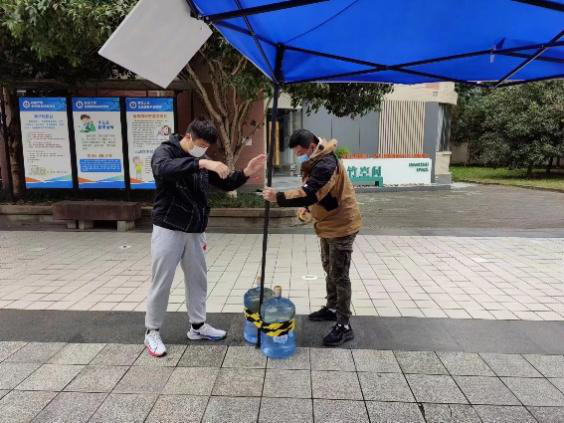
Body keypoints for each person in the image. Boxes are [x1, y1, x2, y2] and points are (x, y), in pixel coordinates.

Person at [145, 118, 265, 357]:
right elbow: (163, 169)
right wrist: (202, 163)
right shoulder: (165, 152)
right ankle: (152, 331)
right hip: (168, 227)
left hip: (195, 230)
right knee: (162, 281)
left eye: (206, 147)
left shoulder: (201, 159)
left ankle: (198, 326)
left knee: (198, 279)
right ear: (188, 137)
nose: (203, 151)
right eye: (200, 145)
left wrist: (246, 172)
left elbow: (225, 181)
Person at [263, 129, 362, 347]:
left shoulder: (326, 163)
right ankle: (332, 308)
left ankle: (344, 325)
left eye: (300, 153)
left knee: (339, 275)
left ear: (311, 146)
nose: (299, 156)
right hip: (327, 223)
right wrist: (309, 208)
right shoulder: (317, 159)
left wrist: (278, 196)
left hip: (342, 225)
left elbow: (310, 192)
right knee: (329, 267)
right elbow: (321, 193)